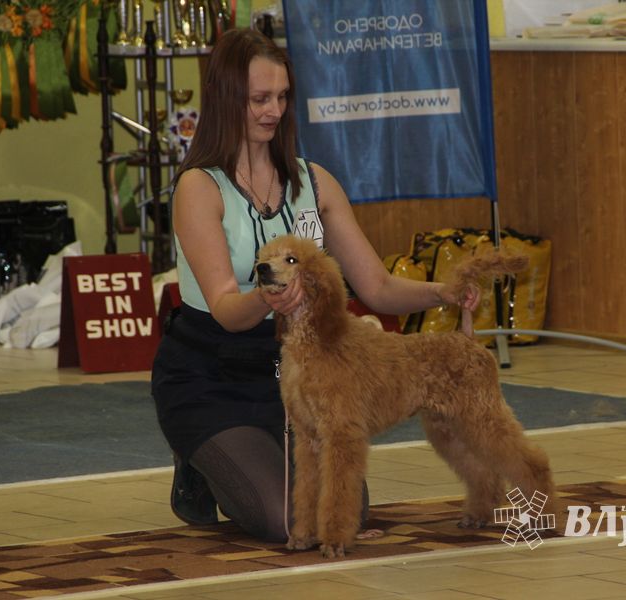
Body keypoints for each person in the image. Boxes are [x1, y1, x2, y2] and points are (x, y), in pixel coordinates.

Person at [152, 28, 479, 543]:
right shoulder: (199, 187)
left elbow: (376, 286)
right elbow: (225, 309)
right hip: (213, 375)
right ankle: (199, 461)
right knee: (283, 519)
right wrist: (268, 297)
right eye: (259, 98)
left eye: (282, 97)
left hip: (301, 376)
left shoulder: (316, 183)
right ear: (226, 98)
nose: (274, 111)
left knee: (345, 509)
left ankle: (238, 461)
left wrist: (441, 292)